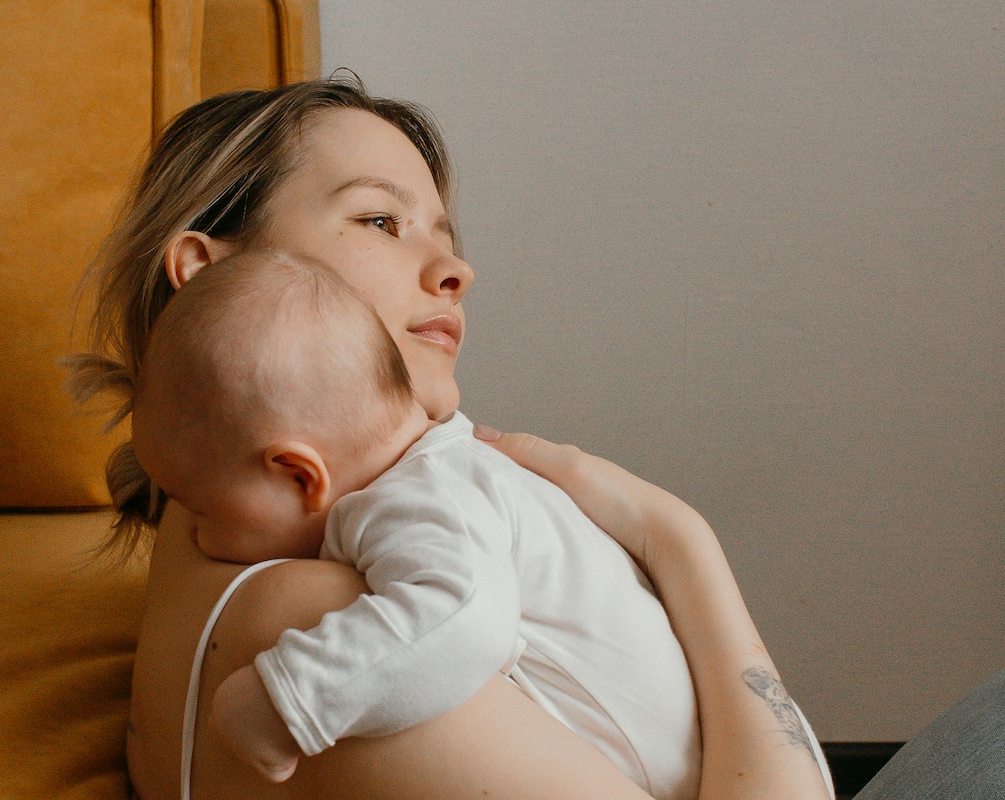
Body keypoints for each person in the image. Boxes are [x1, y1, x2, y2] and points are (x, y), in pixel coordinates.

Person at [69, 75, 924, 800]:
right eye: (379, 220)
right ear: (206, 269)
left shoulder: (280, 561)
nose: (457, 270)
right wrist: (682, 544)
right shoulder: (339, 636)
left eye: (447, 236)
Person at [126, 249, 742, 799]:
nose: (197, 534)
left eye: (204, 512)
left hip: (686, 776)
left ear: (299, 475)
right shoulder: (433, 471)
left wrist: (291, 697)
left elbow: (461, 619)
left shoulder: (420, 497)